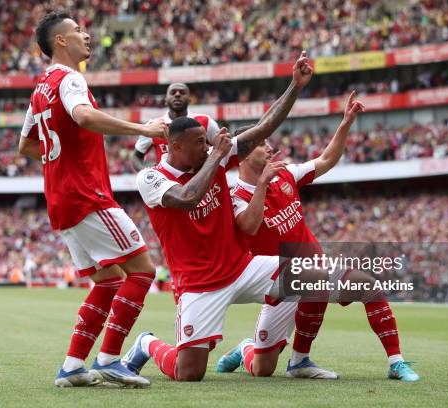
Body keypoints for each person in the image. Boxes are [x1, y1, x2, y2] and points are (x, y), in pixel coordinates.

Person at [121, 52, 315, 382]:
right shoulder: (152, 179)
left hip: (241, 267)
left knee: (305, 274)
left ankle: (260, 347)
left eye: (207, 143)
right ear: (175, 146)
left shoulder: (211, 158)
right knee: (189, 373)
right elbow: (187, 197)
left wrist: (294, 86)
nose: (207, 147)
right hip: (199, 285)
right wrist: (218, 159)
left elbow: (264, 126)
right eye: (199, 144)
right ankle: (146, 343)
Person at [217, 91, 420, 382]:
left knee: (370, 287)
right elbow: (248, 228)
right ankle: (246, 348)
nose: (270, 146)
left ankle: (393, 362)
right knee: (263, 369)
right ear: (245, 154)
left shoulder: (286, 174)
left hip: (314, 269)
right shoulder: (235, 197)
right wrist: (262, 184)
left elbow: (326, 159)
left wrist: (346, 122)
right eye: (262, 143)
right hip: (279, 284)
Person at [18, 10, 167, 388]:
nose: (87, 35)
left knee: (108, 282)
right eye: (78, 30)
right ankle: (111, 360)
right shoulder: (70, 79)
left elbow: (26, 145)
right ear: (61, 41)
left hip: (61, 199)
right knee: (142, 271)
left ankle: (72, 366)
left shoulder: (40, 88)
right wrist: (142, 128)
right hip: (87, 195)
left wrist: (62, 163)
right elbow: (84, 117)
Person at [131, 82, 220, 172]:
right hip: (167, 183)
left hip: (199, 181)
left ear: (189, 99)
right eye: (173, 92)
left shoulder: (206, 121)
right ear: (166, 99)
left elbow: (221, 148)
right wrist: (147, 174)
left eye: (182, 92)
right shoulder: (153, 125)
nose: (177, 94)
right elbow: (136, 157)